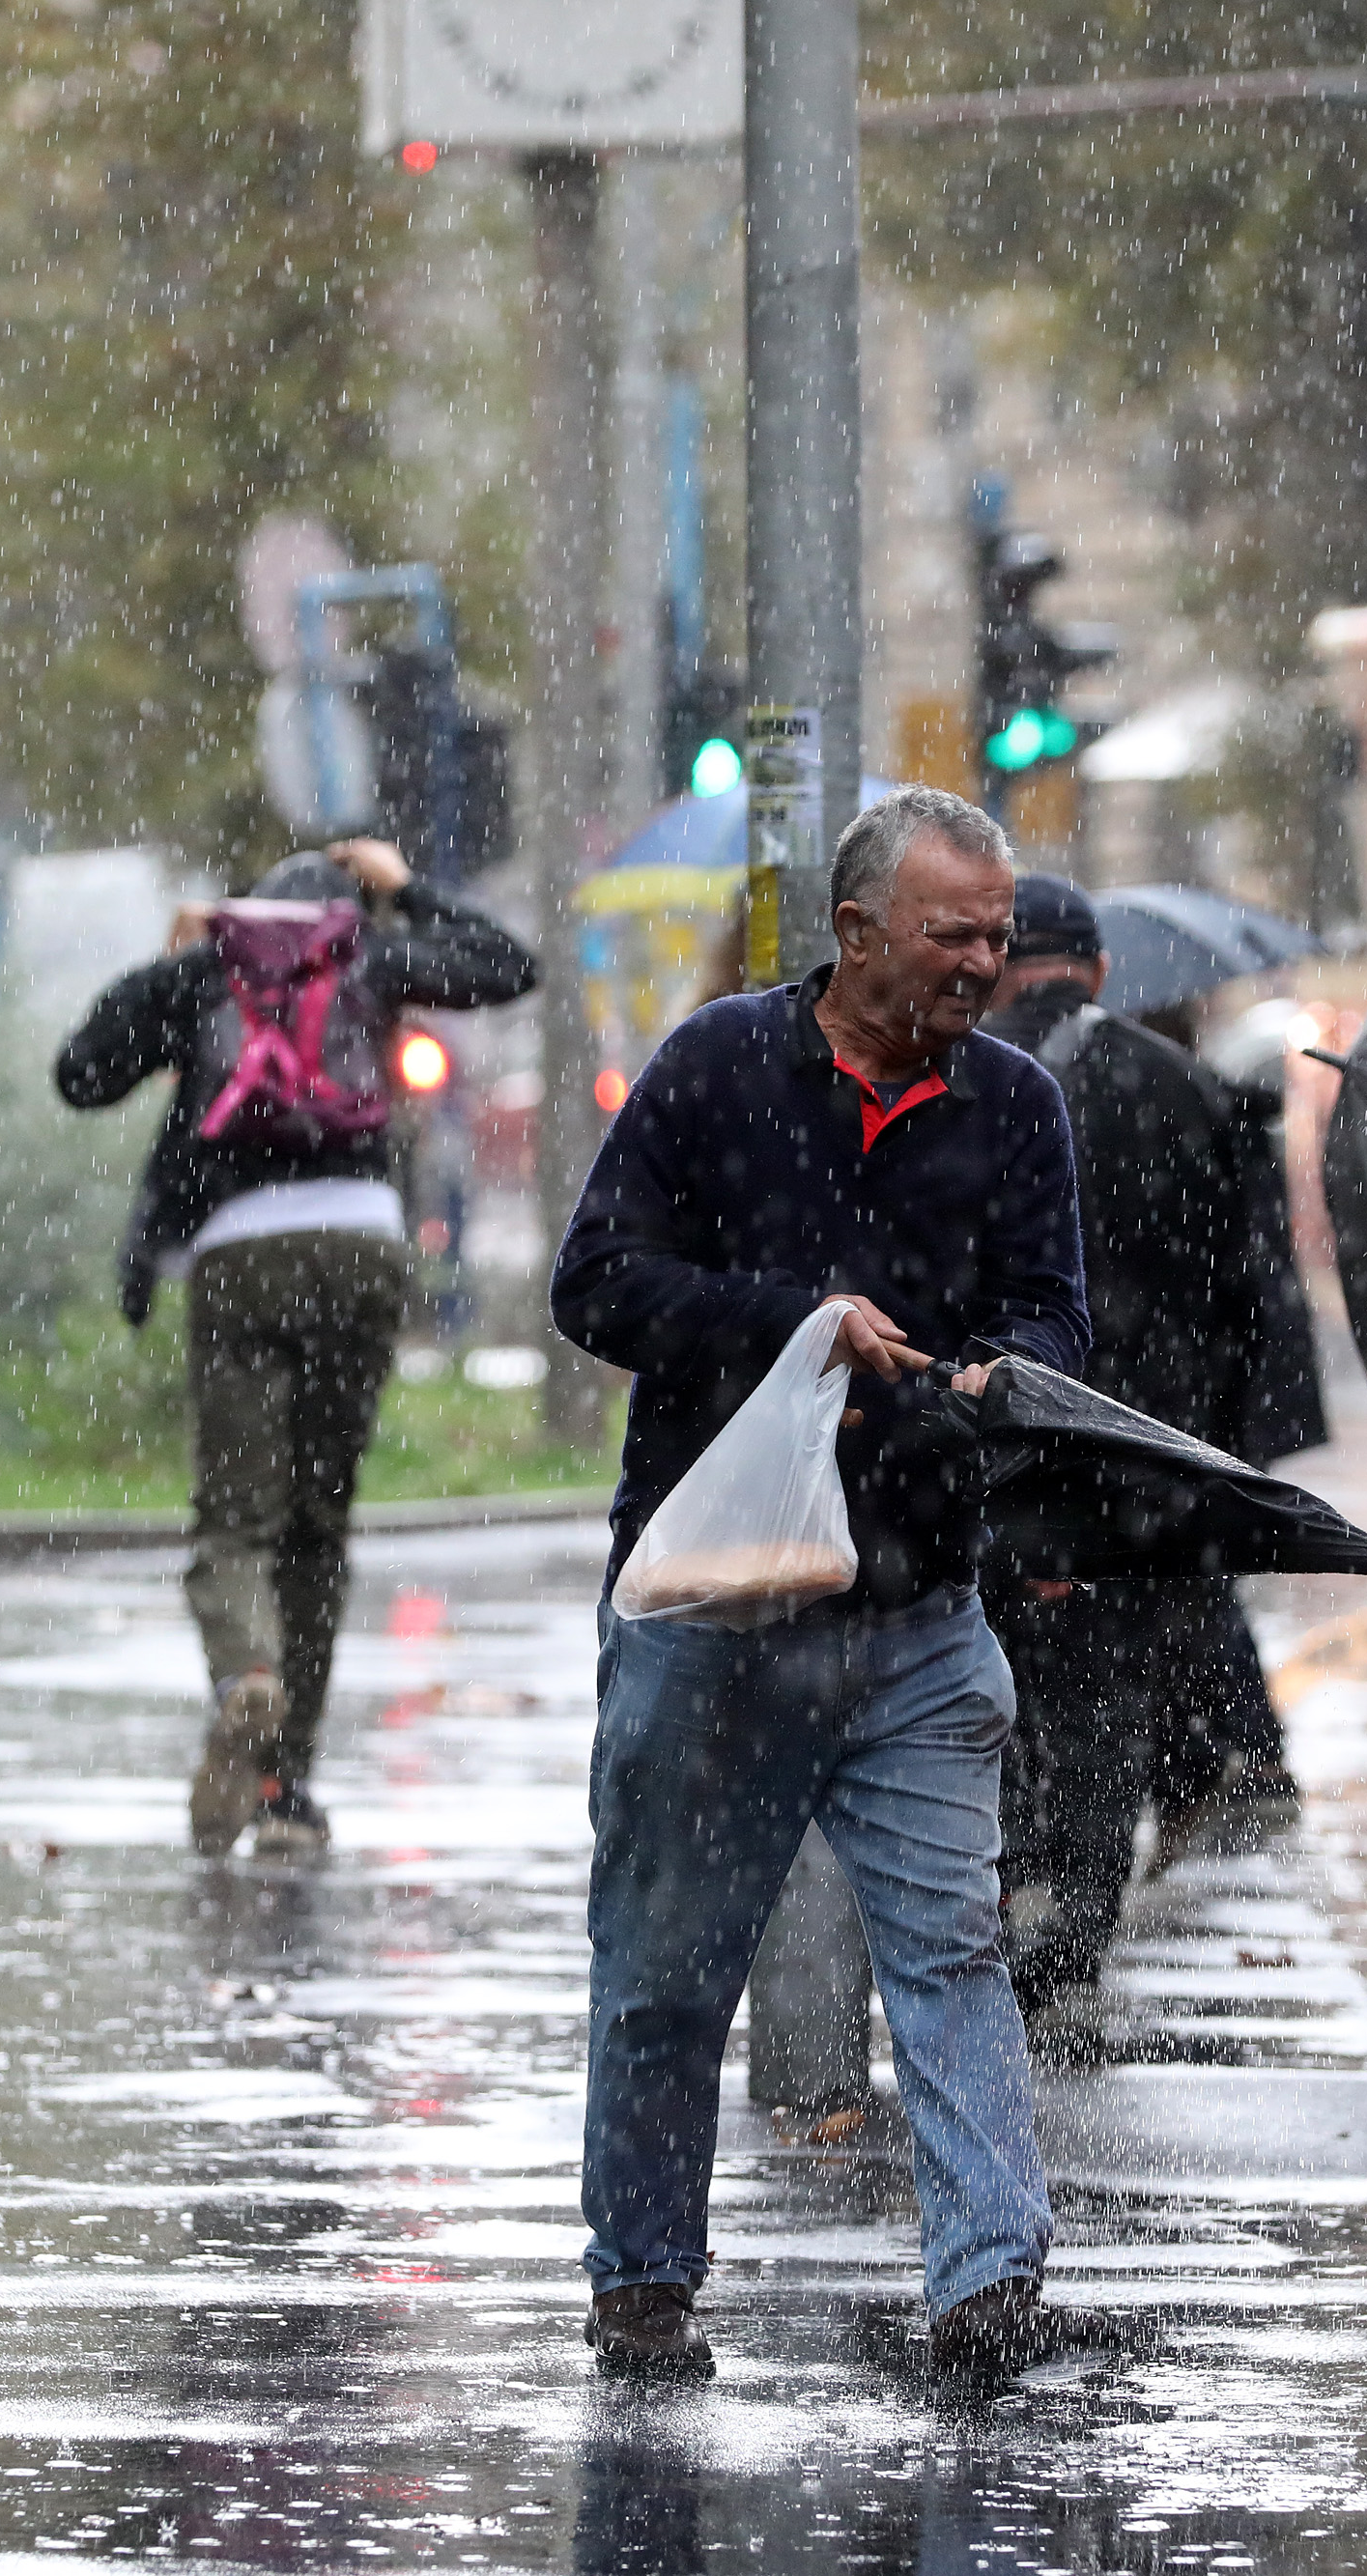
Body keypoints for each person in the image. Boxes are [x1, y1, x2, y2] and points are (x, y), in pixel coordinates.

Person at [551, 786, 1119, 2387]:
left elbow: (1056, 1313)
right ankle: (643, 2278)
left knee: (950, 1948)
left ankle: (990, 2281)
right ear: (855, 929)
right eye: (955, 934)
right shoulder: (715, 1071)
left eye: (1001, 936)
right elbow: (595, 1283)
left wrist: (1003, 1374)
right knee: (666, 1968)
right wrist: (805, 1322)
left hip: (919, 1618)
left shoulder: (1014, 1105)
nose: (986, 963)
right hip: (716, 1610)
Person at [54, 836, 537, 1857]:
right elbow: (508, 965)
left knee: (237, 1523)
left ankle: (246, 1680)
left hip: (241, 1255)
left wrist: (179, 961)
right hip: (360, 1245)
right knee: (319, 1528)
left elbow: (81, 1074)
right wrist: (406, 886)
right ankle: (287, 1793)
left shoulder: (207, 972)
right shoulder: (373, 957)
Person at [974, 877, 1313, 2043]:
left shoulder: (961, 1074)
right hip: (1135, 1454)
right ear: (1103, 972)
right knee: (1103, 1693)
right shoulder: (1184, 1090)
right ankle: (1072, 1944)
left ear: (996, 957)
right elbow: (1241, 1295)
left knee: (985, 1685)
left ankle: (1002, 1899)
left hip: (997, 1441)